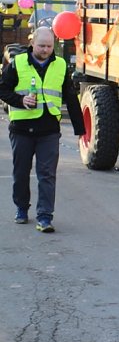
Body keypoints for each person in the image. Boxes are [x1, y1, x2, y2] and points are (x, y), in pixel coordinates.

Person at [0, 26, 84, 232]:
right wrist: (20, 100)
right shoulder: (18, 63)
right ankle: (21, 208)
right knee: (21, 173)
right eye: (41, 46)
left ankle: (45, 216)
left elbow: (70, 97)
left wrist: (80, 127)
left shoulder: (61, 65)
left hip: (49, 130)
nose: (46, 50)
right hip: (21, 128)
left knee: (47, 174)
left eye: (49, 46)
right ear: (32, 44)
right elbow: (2, 89)